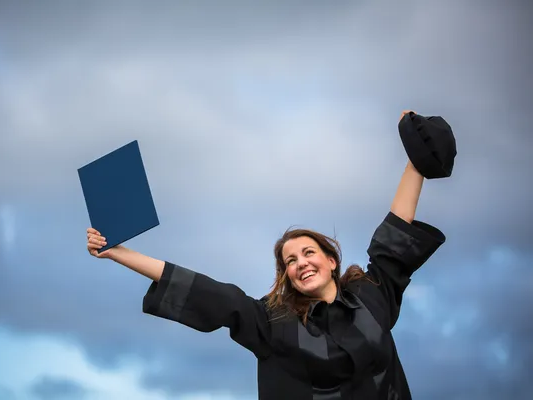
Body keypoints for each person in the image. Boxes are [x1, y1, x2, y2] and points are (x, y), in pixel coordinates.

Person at [85, 110, 447, 399]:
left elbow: (393, 237)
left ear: (331, 260)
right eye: (291, 261)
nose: (301, 262)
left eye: (308, 252)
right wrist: (120, 253)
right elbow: (207, 292)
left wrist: (416, 160)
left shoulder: (371, 297)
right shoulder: (274, 324)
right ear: (287, 275)